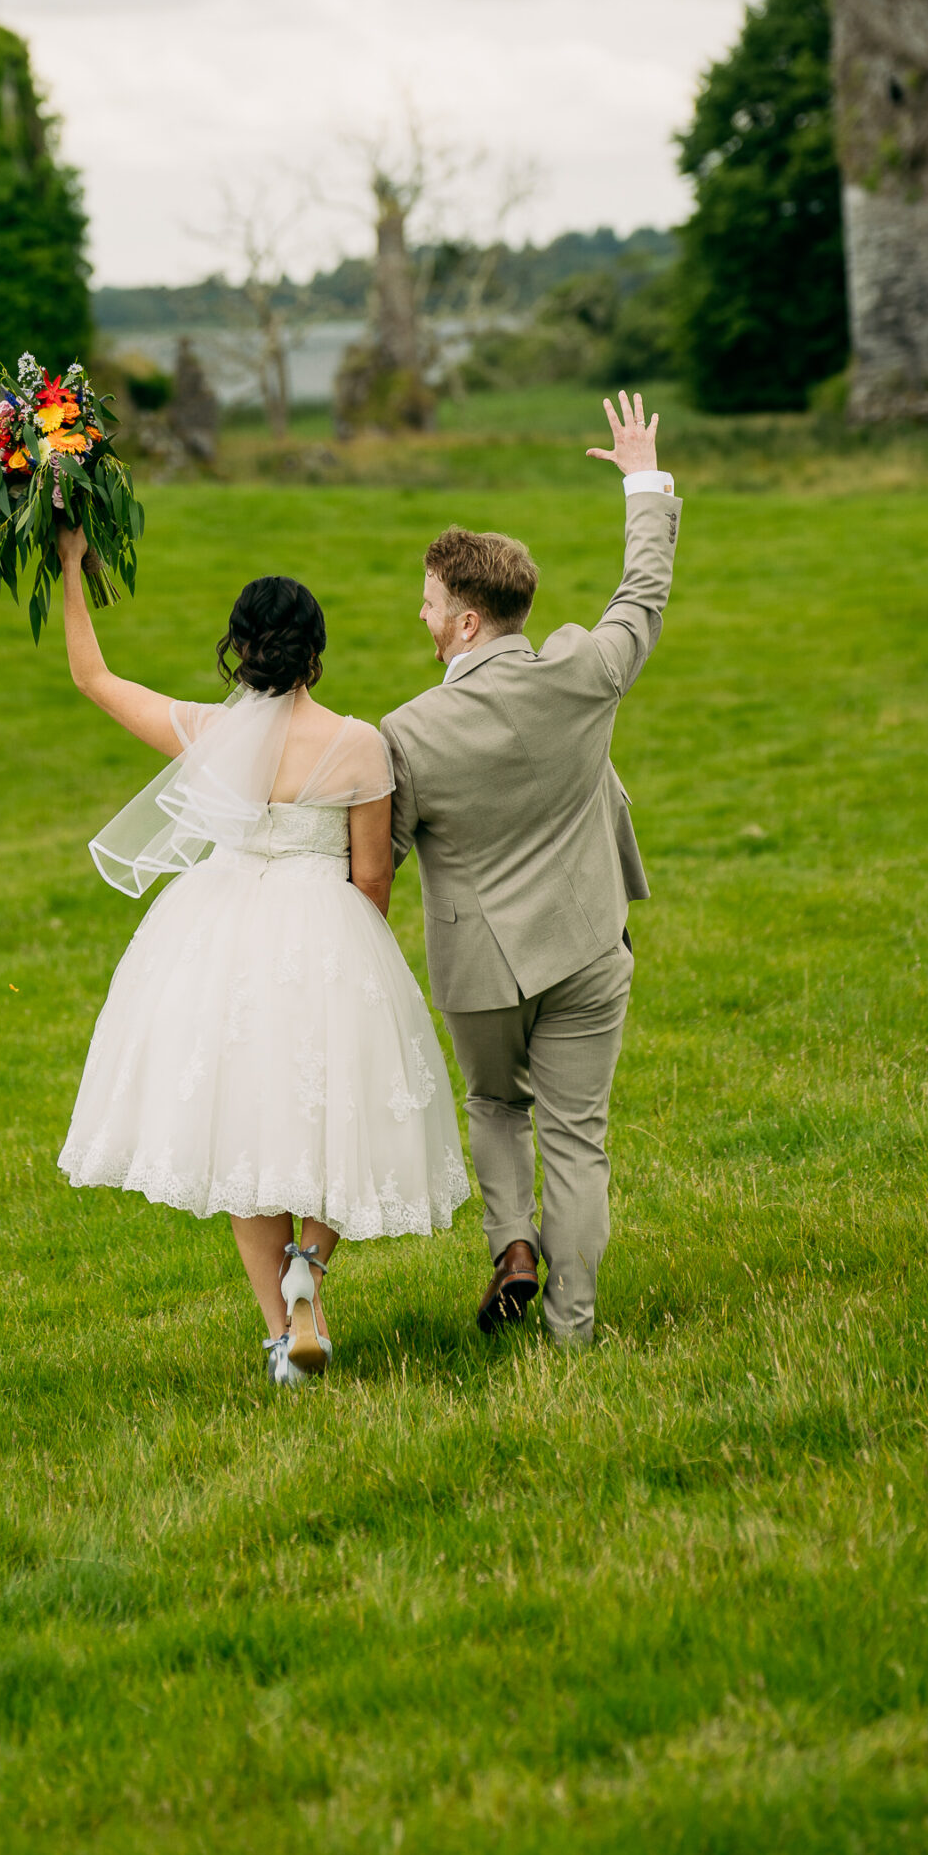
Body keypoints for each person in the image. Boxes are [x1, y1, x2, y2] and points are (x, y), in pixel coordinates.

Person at [54, 528, 470, 1389]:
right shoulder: (359, 744)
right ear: (315, 653)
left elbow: (92, 678)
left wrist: (68, 568)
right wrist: (351, 959)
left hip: (215, 935)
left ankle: (284, 1342)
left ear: (237, 651)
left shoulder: (209, 734)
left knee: (242, 1128)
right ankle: (308, 1272)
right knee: (340, 1120)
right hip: (325, 928)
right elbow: (369, 877)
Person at [379, 391, 681, 1351]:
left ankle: (512, 1242)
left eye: (427, 602)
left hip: (481, 971)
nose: (418, 613)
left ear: (464, 622)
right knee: (577, 1139)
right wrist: (642, 478)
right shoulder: (585, 672)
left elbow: (377, 855)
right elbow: (642, 593)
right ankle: (571, 1329)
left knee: (494, 1105)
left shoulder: (405, 734)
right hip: (588, 945)